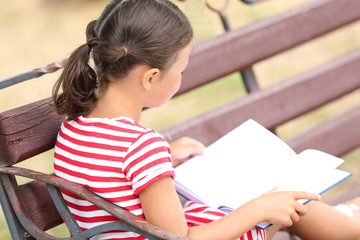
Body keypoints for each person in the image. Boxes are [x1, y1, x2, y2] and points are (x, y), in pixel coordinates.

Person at [52, 0, 360, 239]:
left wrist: (165, 157)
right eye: (181, 70)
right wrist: (259, 209)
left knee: (270, 202)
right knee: (286, 205)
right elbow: (179, 237)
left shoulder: (75, 124)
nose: (182, 76)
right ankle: (349, 225)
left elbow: (109, 170)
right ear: (151, 78)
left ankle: (343, 217)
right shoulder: (142, 147)